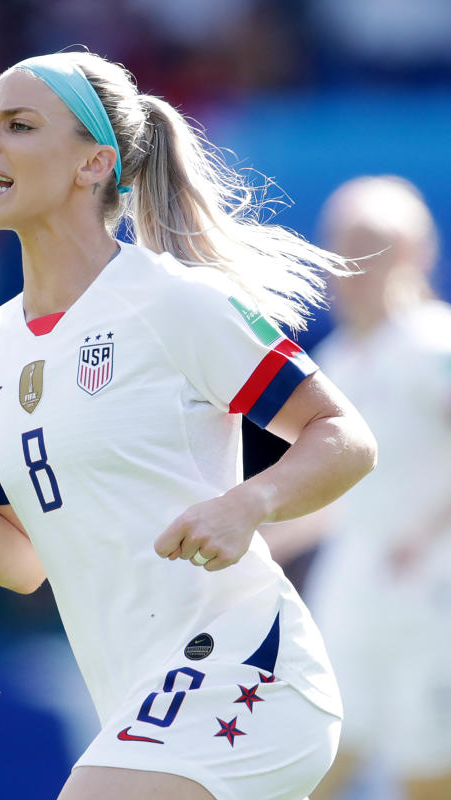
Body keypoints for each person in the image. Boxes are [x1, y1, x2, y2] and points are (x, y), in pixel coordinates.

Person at [0, 51, 378, 800]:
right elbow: (23, 561)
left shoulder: (173, 303)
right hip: (140, 696)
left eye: (18, 125)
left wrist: (247, 504)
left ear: (93, 164)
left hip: (245, 671)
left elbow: (345, 435)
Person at [263, 177, 451, 800]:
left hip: (432, 589)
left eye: (373, 245)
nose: (355, 266)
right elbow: (331, 495)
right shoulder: (335, 363)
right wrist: (255, 540)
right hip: (355, 587)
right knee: (315, 755)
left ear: (416, 252)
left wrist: (425, 530)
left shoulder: (436, 345)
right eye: (343, 247)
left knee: (429, 767)